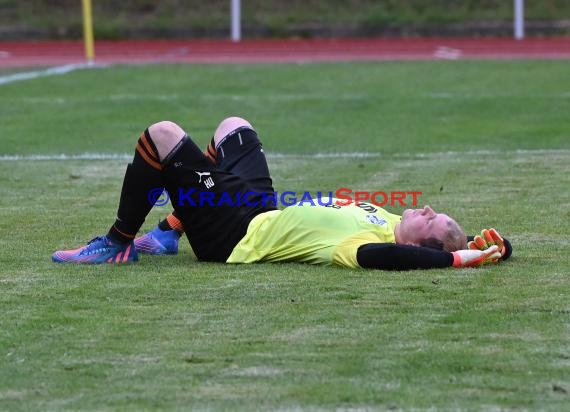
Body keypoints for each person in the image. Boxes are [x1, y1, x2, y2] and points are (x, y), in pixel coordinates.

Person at [52, 117, 512, 270]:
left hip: (235, 234)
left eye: (431, 219)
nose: (428, 208)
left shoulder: (368, 248)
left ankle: (117, 244)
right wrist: (486, 248)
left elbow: (392, 261)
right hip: (258, 207)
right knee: (235, 128)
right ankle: (172, 230)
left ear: (416, 244)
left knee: (162, 135)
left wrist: (456, 259)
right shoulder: (390, 222)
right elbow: (467, 245)